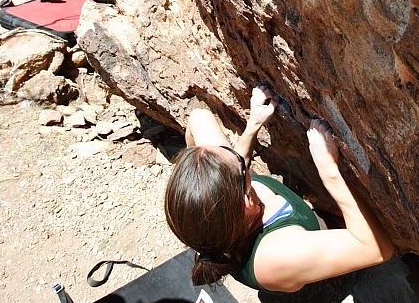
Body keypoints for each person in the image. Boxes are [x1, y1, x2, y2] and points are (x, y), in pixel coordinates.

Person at [164, 86, 395, 292]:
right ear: (246, 201)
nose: (239, 157)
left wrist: (253, 124)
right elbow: (377, 250)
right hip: (318, 243)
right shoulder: (275, 255)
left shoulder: (220, 200)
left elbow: (198, 118)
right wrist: (329, 171)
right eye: (238, 168)